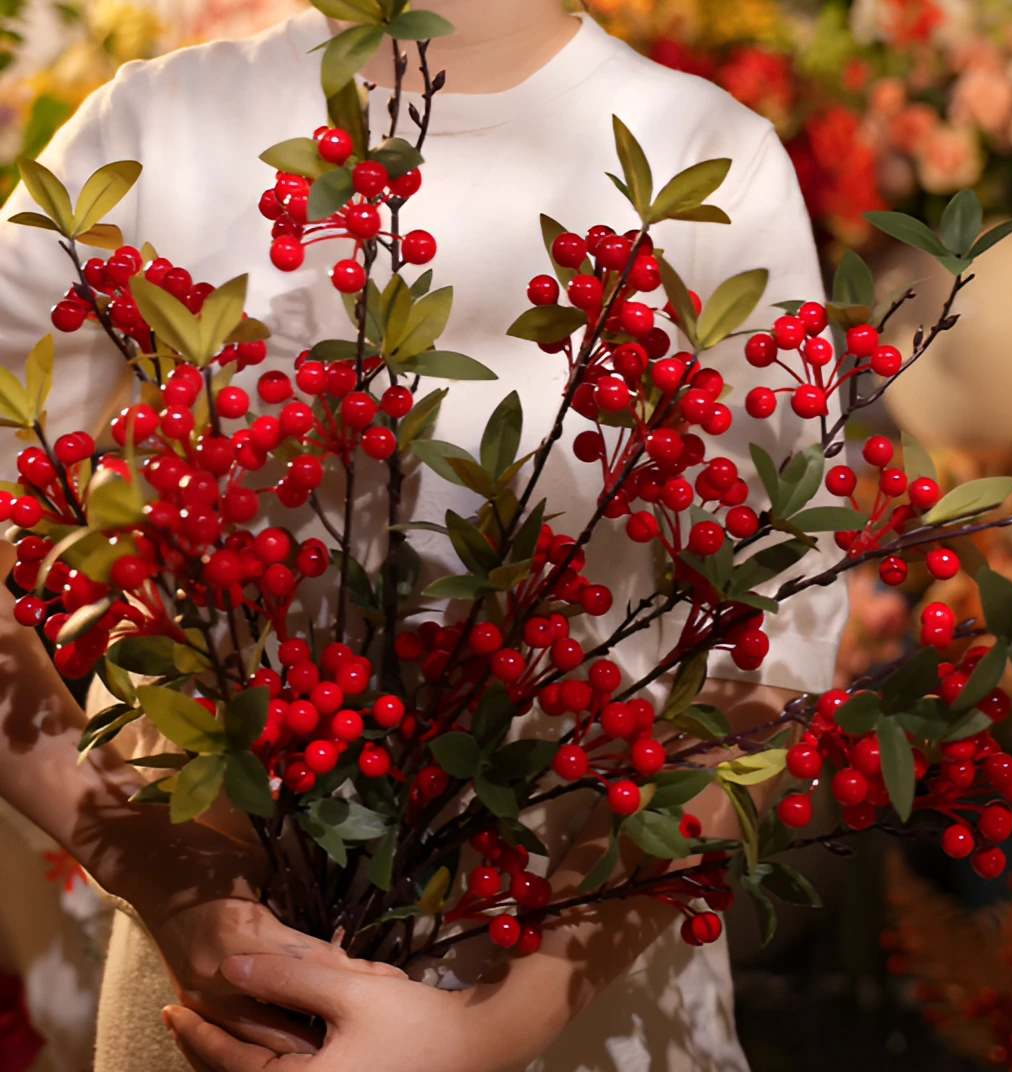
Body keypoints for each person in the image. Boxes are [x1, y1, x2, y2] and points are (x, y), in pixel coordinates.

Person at [0, 0, 848, 1069]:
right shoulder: (158, 132)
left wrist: (497, 1026)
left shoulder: (707, 157)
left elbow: (769, 649)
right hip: (224, 1003)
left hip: (588, 1001)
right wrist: (165, 875)